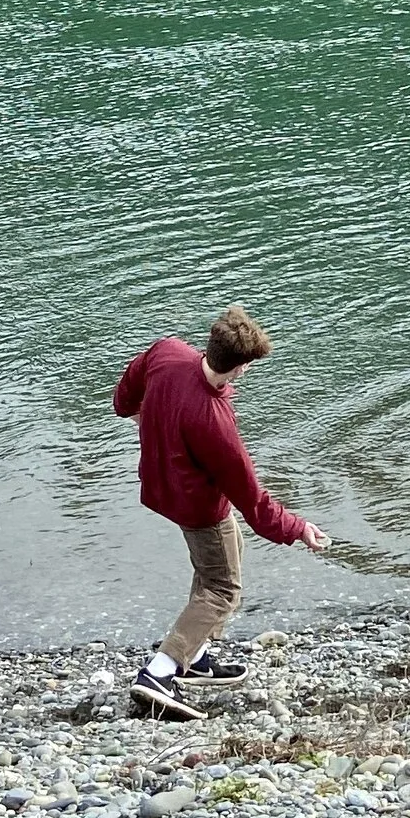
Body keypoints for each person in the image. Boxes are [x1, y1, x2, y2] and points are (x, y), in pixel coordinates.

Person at [114, 305, 331, 719]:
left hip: (164, 486)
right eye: (246, 367)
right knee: (222, 589)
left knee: (219, 564)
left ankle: (197, 659)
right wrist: (297, 528)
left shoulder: (168, 352)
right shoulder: (214, 421)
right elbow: (251, 498)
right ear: (240, 367)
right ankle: (160, 671)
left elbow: (132, 377)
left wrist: (130, 408)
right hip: (199, 508)